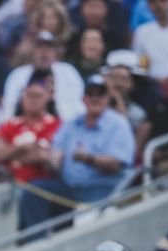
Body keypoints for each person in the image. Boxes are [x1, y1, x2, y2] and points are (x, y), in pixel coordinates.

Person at [17, 75, 135, 233]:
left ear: (107, 98)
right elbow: (55, 155)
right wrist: (51, 160)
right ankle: (35, 243)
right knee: (34, 190)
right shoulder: (72, 124)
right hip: (69, 187)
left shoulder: (118, 124)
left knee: (84, 212)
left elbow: (117, 163)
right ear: (84, 99)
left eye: (100, 94)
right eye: (91, 94)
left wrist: (88, 158)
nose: (95, 98)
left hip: (104, 187)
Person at [0, 76, 61, 185]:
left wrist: (7, 152)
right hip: (6, 184)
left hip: (38, 186)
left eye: (38, 96)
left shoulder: (56, 125)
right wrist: (24, 147)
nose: (33, 99)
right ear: (22, 98)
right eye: (29, 95)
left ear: (47, 97)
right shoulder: (9, 124)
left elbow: (43, 156)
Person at [1, 31, 86, 124]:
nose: (44, 51)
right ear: (32, 51)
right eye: (39, 46)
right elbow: (8, 107)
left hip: (60, 128)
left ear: (55, 51)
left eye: (49, 47)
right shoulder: (18, 74)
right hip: (23, 128)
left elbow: (79, 107)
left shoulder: (68, 72)